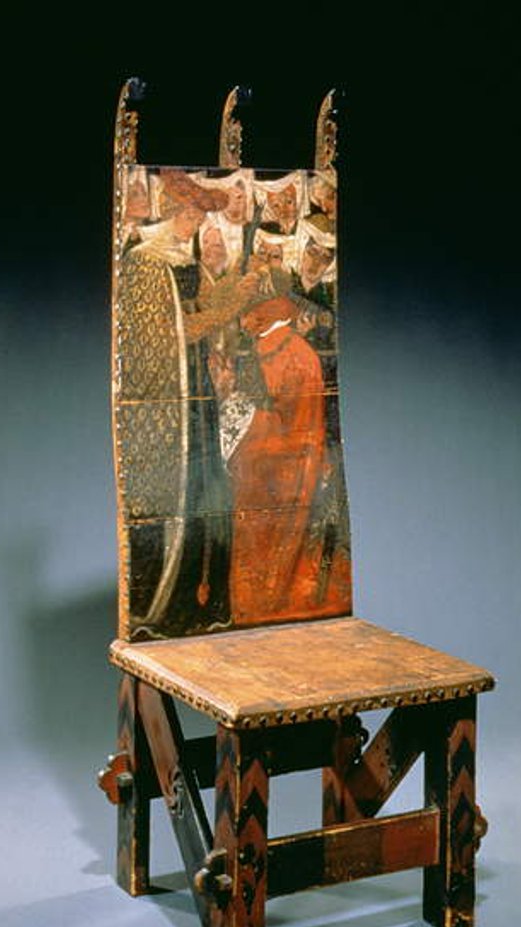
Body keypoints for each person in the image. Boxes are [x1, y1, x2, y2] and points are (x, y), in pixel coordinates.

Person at [120, 169, 259, 637]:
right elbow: (172, 332)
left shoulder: (181, 255)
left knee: (206, 489)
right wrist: (233, 302)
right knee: (174, 491)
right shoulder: (145, 260)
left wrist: (240, 287)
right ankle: (162, 605)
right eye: (195, 213)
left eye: (203, 214)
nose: (200, 223)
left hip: (193, 388)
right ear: (179, 211)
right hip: (167, 397)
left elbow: (198, 305)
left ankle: (200, 601)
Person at [225, 295, 349, 624]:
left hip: (277, 467)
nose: (244, 321)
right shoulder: (278, 347)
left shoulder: (293, 354)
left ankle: (258, 611)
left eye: (250, 312)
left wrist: (231, 409)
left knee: (268, 546)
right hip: (281, 465)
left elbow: (289, 424)